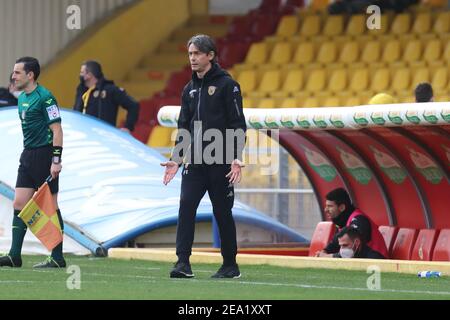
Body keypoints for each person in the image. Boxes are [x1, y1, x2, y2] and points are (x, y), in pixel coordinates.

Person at [161, 34, 247, 279]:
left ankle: (230, 265)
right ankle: (182, 264)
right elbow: (184, 128)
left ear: (210, 55)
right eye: (190, 54)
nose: (193, 58)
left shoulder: (228, 85)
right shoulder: (189, 89)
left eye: (197, 53)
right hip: (195, 162)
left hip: (221, 160)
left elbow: (238, 124)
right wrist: (176, 159)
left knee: (222, 211)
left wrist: (235, 156)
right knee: (186, 206)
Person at [0, 57, 65, 268]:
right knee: (19, 202)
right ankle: (14, 256)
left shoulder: (46, 98)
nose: (13, 76)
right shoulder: (21, 99)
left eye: (17, 72)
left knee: (51, 206)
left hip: (45, 155)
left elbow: (57, 130)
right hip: (27, 155)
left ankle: (57, 257)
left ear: (30, 75)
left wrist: (56, 161)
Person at [315, 188, 388, 258]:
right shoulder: (343, 222)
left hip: (377, 264)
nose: (326, 210)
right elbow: (335, 243)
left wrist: (328, 256)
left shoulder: (360, 220)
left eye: (330, 206)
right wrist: (324, 252)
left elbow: (351, 252)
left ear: (342, 207)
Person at [73, 60, 139, 132]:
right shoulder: (81, 91)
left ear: (89, 75)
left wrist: (128, 127)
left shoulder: (110, 90)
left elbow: (133, 105)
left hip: (103, 135)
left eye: (82, 72)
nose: (80, 75)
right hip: (84, 134)